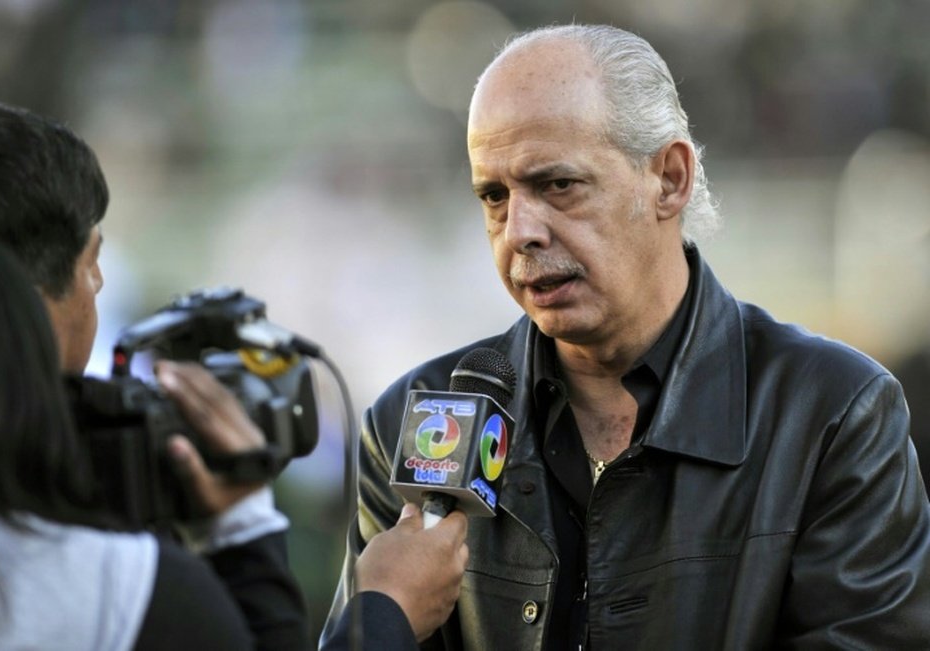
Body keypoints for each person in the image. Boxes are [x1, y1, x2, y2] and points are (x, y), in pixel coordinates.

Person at [324, 24, 930, 649]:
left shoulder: (832, 413)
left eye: (558, 185)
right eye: (494, 196)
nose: (520, 231)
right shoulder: (415, 418)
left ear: (669, 178)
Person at [0, 96, 468, 650]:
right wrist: (382, 608)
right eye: (92, 262)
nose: (99, 283)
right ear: (14, 296)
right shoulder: (120, 593)